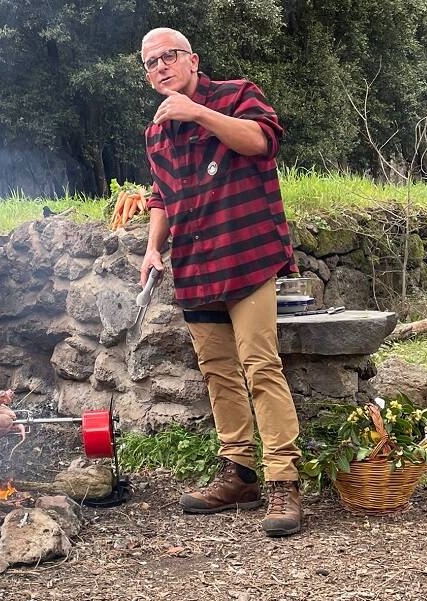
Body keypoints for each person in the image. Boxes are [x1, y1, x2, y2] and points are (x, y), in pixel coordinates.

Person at [138, 27, 302, 537]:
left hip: (247, 255)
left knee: (260, 364)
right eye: (150, 62)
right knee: (217, 372)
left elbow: (261, 140)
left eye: (169, 56)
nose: (161, 66)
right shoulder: (155, 133)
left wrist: (200, 113)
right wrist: (152, 247)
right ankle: (241, 474)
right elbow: (162, 196)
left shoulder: (235, 94)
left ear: (192, 60)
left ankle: (283, 480)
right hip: (193, 262)